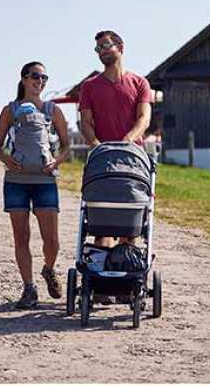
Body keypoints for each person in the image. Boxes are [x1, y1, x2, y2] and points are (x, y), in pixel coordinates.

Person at [79, 30, 153, 302]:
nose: (101, 51)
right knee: (102, 222)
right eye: (97, 48)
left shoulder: (139, 83)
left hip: (132, 161)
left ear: (120, 47)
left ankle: (127, 281)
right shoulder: (90, 87)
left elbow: (144, 118)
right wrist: (97, 145)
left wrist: (127, 141)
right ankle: (102, 286)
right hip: (103, 161)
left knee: (129, 223)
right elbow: (85, 122)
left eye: (105, 46)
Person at [0, 61, 70, 309]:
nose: (40, 81)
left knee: (52, 240)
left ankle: (48, 269)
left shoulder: (53, 110)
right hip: (16, 181)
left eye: (44, 78)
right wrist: (7, 159)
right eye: (36, 76)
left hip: (45, 181)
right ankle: (29, 288)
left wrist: (56, 161)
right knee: (21, 236)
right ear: (24, 79)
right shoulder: (10, 110)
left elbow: (67, 146)